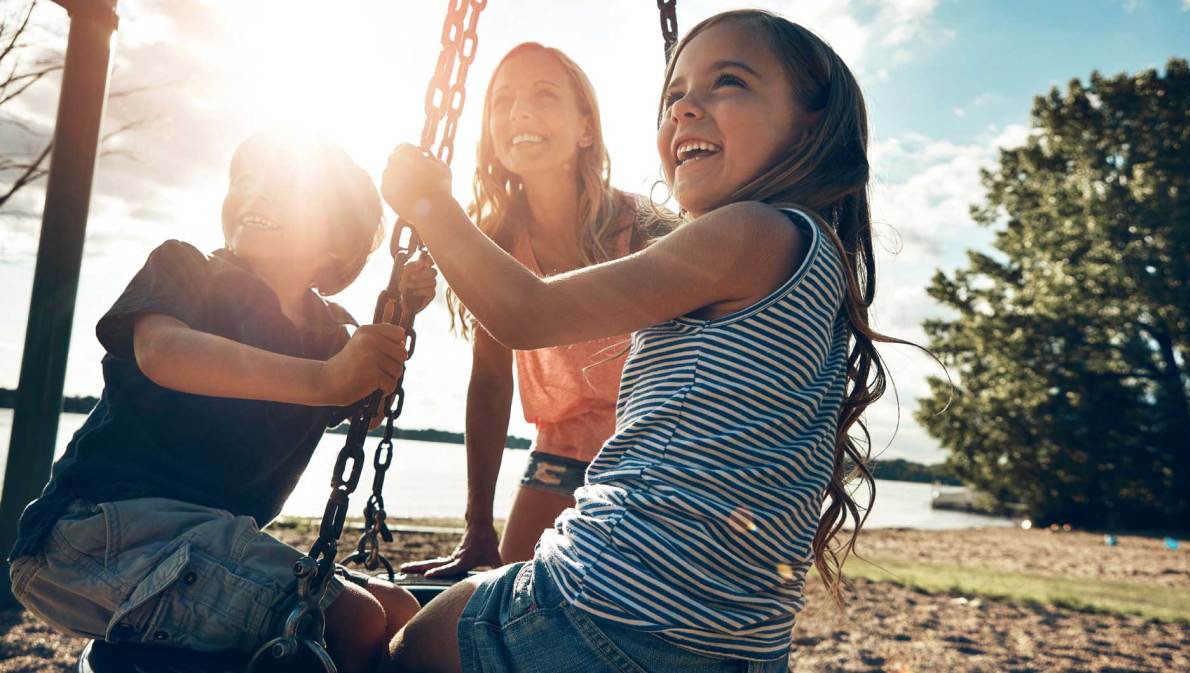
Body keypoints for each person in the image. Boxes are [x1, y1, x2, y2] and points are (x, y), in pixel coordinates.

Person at [379, 9, 900, 673]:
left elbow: (526, 312)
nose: (686, 108)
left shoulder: (744, 231)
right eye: (675, 94)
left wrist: (428, 206)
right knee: (454, 597)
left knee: (409, 647)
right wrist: (478, 519)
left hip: (615, 607)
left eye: (728, 83)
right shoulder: (811, 253)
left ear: (809, 123)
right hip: (732, 643)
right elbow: (494, 370)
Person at [6, 129, 436, 673]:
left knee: (399, 611)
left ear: (337, 239)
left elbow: (367, 409)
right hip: (91, 535)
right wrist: (326, 379)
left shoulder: (328, 334)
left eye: (284, 188)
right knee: (353, 621)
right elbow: (163, 352)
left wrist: (396, 321)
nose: (255, 194)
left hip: (204, 538)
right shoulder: (188, 272)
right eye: (246, 182)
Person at [400, 42, 668, 579]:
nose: (519, 111)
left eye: (543, 95)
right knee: (495, 600)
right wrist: (478, 525)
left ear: (586, 128)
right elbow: (492, 382)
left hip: (648, 457)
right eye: (502, 101)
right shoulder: (496, 241)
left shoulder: (642, 228)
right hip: (557, 456)